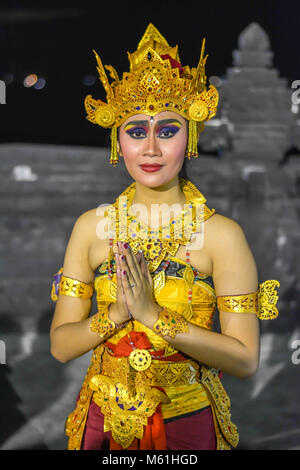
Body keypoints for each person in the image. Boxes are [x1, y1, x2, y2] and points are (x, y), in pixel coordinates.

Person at [50, 24, 280, 451]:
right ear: (118, 141)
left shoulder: (222, 236)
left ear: (190, 137)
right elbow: (62, 346)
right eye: (137, 132)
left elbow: (246, 360)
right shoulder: (91, 227)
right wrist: (116, 314)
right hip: (101, 423)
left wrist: (155, 316)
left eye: (167, 131)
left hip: (187, 423)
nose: (151, 149)